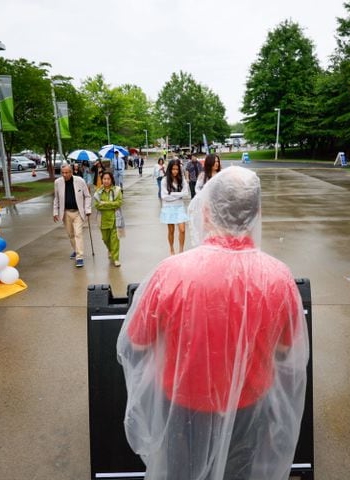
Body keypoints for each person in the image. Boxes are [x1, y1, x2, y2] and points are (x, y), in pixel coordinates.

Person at [117, 166, 309, 480]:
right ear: (256, 213)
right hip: (248, 407)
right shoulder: (278, 277)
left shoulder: (171, 273)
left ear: (206, 211)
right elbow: (287, 347)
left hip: (184, 408)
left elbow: (136, 342)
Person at [53, 164, 92, 267]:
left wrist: (87, 209)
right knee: (71, 235)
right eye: (63, 173)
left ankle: (79, 257)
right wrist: (55, 212)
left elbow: (87, 196)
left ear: (71, 172)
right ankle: (76, 250)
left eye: (66, 172)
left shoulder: (80, 181)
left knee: (78, 234)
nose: (64, 175)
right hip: (65, 213)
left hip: (78, 212)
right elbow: (56, 198)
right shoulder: (58, 182)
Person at [93, 171, 123, 267]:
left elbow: (118, 203)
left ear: (111, 180)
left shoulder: (117, 190)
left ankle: (116, 258)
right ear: (102, 180)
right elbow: (97, 206)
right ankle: (110, 250)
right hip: (103, 219)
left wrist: (105, 203)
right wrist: (111, 204)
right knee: (105, 239)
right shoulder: (98, 192)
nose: (106, 181)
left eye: (108, 179)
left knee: (115, 239)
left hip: (115, 218)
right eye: (104, 179)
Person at [159, 159, 188, 255]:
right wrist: (179, 195)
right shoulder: (164, 180)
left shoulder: (182, 179)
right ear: (169, 169)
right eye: (173, 169)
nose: (175, 171)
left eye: (177, 169)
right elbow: (164, 196)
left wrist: (172, 194)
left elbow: (186, 193)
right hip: (168, 208)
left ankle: (181, 250)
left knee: (182, 230)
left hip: (180, 207)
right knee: (171, 230)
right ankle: (171, 249)